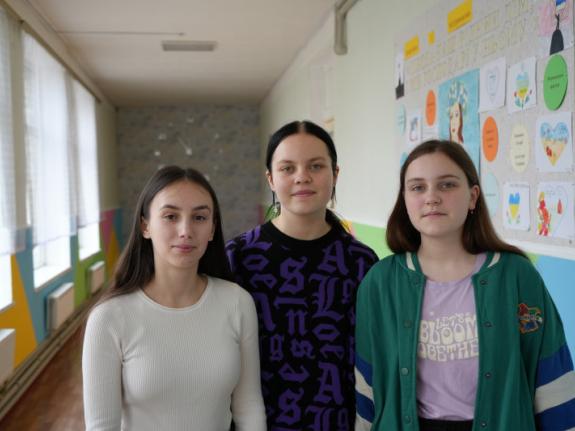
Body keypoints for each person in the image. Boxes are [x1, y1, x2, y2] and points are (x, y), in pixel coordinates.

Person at [355, 140, 575, 431]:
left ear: (473, 197)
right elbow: (367, 382)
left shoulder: (516, 276)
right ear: (405, 199)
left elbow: (551, 378)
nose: (432, 197)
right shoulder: (380, 283)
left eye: (446, 185)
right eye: (418, 187)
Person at [82, 166, 266, 431]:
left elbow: (248, 407)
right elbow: (101, 427)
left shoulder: (237, 303)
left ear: (213, 229)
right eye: (170, 216)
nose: (185, 230)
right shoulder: (109, 318)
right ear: (145, 225)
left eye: (200, 218)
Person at [226, 120, 378, 430]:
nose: (302, 177)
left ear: (335, 174)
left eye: (316, 166)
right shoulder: (238, 258)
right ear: (270, 179)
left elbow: (371, 360)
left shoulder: (361, 262)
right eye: (287, 168)